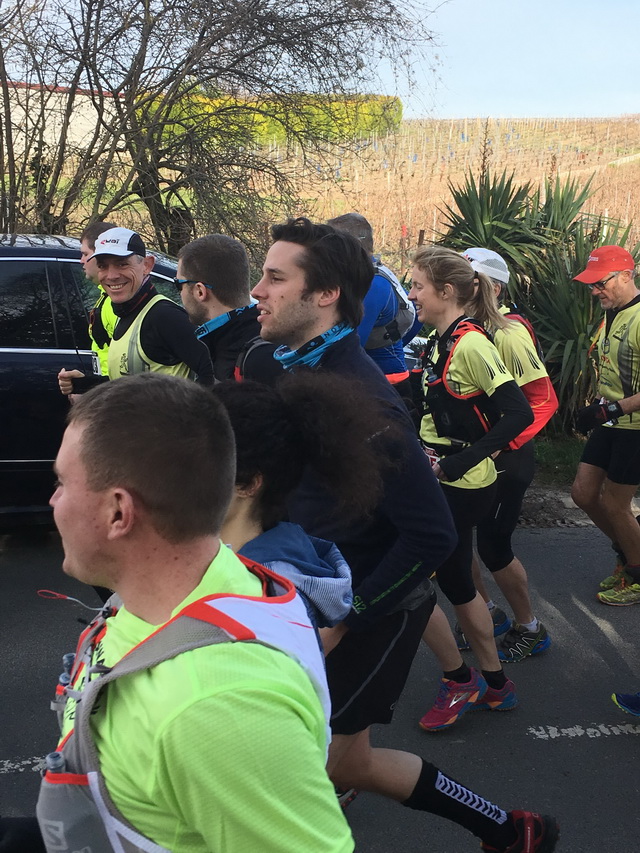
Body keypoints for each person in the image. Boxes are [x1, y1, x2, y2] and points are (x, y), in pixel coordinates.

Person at [251, 218, 558, 853]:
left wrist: (349, 614)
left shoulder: (362, 401)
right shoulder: (288, 368)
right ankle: (506, 830)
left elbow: (430, 534)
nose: (259, 290)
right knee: (317, 750)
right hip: (311, 596)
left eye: (276, 278)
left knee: (339, 759)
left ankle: (509, 829)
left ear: (326, 292)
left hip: (369, 609)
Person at [28, 374, 354, 853]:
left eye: (61, 482)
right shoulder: (193, 578)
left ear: (120, 512)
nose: (52, 501)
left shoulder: (214, 709)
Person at [408, 246, 533, 731]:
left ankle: (466, 681)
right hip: (445, 479)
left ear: (446, 292)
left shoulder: (471, 344)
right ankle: (494, 686)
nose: (411, 294)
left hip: (461, 485)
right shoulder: (441, 339)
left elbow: (519, 411)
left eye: (418, 286)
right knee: (458, 584)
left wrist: (461, 459)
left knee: (429, 581)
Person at [459, 247, 558, 662]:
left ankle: (530, 627)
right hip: (480, 456)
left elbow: (543, 400)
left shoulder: (508, 332)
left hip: (508, 458)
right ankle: (489, 615)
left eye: (470, 281)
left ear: (492, 288)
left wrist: (502, 444)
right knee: (459, 540)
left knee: (494, 547)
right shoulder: (466, 331)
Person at [58, 227, 213, 394]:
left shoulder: (164, 316)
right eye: (103, 266)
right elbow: (127, 385)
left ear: (147, 265)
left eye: (122, 264)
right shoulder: (123, 313)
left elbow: (213, 375)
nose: (111, 275)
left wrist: (189, 418)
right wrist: (83, 384)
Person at [571, 245, 640, 605]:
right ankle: (629, 552)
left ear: (626, 276)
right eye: (591, 286)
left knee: (616, 505)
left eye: (601, 283)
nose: (595, 291)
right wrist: (601, 407)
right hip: (611, 419)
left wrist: (612, 410)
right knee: (582, 494)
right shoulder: (612, 312)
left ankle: (637, 572)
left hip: (634, 426)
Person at [327, 212, 418, 401]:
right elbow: (415, 316)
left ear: (349, 248)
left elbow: (350, 346)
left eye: (331, 245)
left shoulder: (372, 285)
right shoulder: (377, 272)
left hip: (384, 383)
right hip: (381, 376)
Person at [176, 233, 283, 382]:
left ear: (200, 291)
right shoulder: (257, 338)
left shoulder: (257, 359)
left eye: (178, 284)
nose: (180, 293)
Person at [78, 220, 119, 376]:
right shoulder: (105, 298)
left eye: (85, 254)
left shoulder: (115, 304)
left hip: (119, 393)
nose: (81, 261)